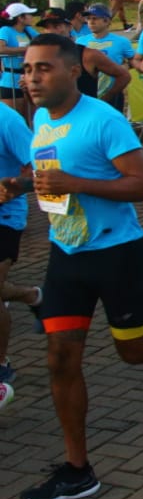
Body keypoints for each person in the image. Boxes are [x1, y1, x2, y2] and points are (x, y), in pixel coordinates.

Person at [4, 34, 143, 499]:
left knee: (134, 351)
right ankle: (78, 469)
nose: (31, 79)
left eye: (42, 69)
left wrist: (74, 183)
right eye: (26, 70)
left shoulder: (102, 120)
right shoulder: (39, 119)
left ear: (72, 71)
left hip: (117, 254)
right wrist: (19, 185)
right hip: (66, 255)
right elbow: (49, 178)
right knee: (60, 357)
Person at [0, 100, 39, 411]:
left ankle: (2, 364)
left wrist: (12, 189)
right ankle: (32, 296)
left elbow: (37, 164)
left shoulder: (7, 120)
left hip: (4, 217)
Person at [75, 4, 134, 110]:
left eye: (95, 18)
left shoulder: (122, 42)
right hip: (88, 94)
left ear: (106, 21)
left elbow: (134, 60)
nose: (91, 22)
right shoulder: (80, 41)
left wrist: (127, 65)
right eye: (88, 19)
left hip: (113, 92)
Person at [1, 3, 40, 118]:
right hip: (11, 81)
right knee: (15, 119)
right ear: (20, 18)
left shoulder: (28, 30)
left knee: (31, 119)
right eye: (29, 14)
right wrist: (26, 49)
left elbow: (43, 41)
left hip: (28, 79)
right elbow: (1, 48)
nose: (31, 17)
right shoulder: (6, 30)